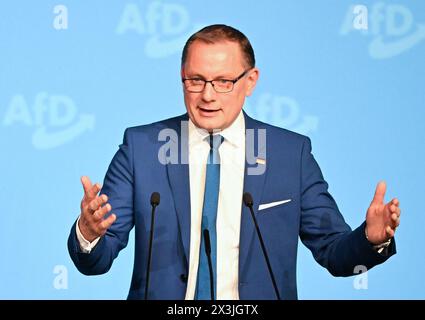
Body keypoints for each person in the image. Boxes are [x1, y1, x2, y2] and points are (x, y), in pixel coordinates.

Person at [68, 24, 401, 300]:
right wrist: (88, 232)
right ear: (181, 77)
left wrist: (371, 240)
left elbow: (333, 251)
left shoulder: (290, 154)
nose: (208, 95)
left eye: (223, 82)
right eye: (195, 80)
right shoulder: (141, 148)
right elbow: (97, 259)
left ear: (251, 81)